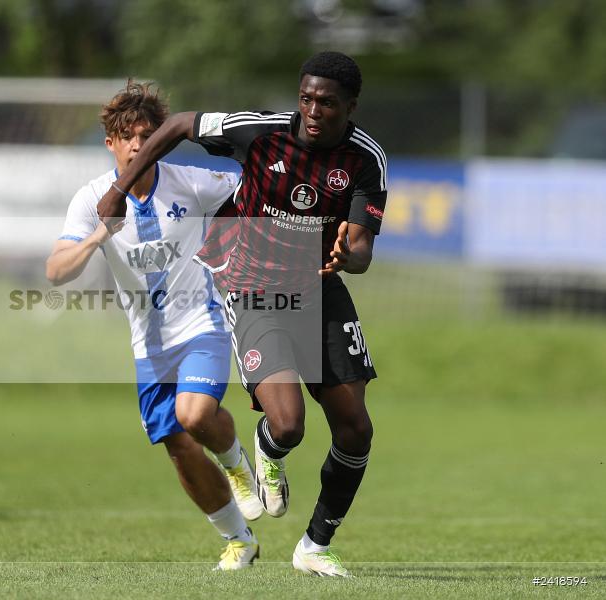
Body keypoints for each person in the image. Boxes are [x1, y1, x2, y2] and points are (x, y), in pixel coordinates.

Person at [96, 52, 386, 577]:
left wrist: (352, 256)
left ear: (350, 106)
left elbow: (362, 247)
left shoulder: (365, 158)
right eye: (306, 98)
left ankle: (315, 546)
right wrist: (120, 188)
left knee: (355, 429)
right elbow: (182, 125)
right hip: (251, 284)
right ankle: (270, 450)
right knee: (289, 424)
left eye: (326, 102)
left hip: (319, 287)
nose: (313, 110)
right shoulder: (261, 132)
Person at [46, 81, 263, 570]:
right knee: (179, 447)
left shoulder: (191, 181)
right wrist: (97, 236)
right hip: (148, 346)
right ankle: (239, 541)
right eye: (127, 136)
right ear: (111, 143)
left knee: (194, 415)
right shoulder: (91, 199)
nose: (138, 144)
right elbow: (56, 271)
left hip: (201, 324)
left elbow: (256, 187)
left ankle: (237, 465)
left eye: (148, 134)